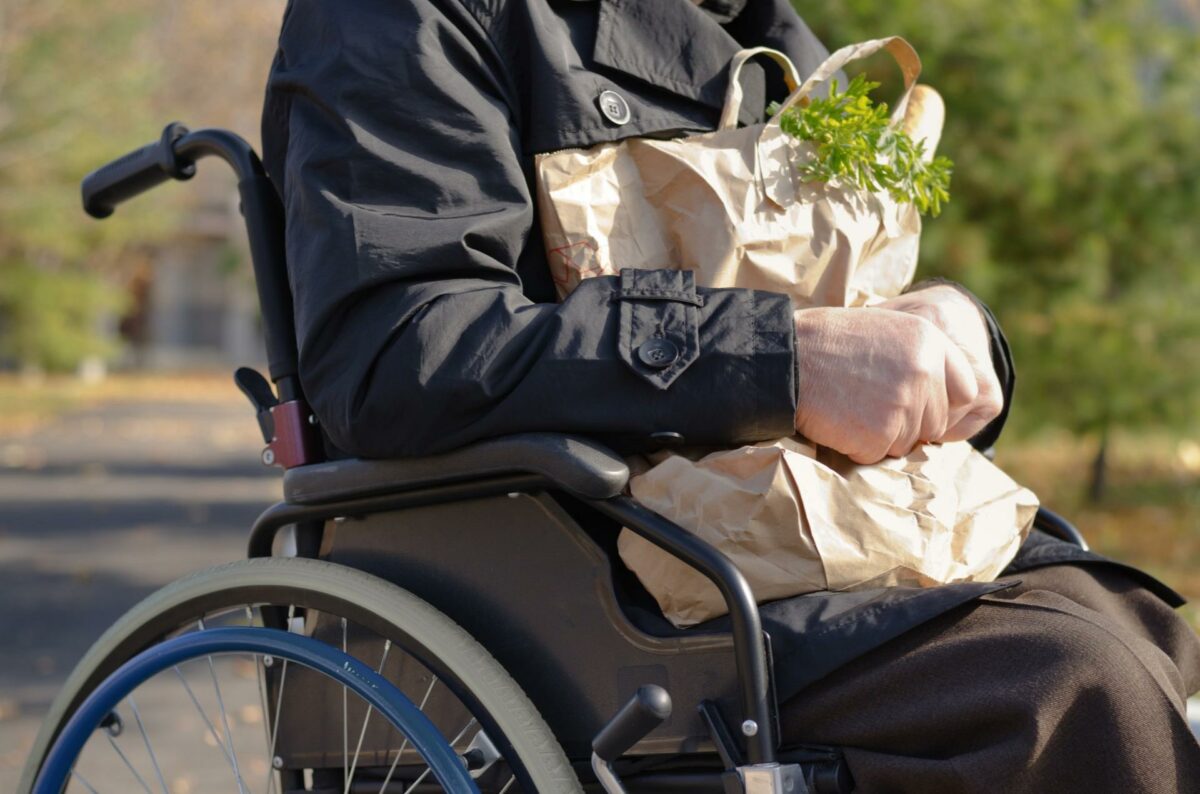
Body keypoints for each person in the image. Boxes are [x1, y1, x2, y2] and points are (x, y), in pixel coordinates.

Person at [261, 0, 1200, 789]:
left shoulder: (755, 26)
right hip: (600, 571)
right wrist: (782, 360)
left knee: (1150, 631)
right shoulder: (407, 16)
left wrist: (952, 330)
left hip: (802, 531)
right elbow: (396, 352)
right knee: (1076, 686)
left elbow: (839, 284)